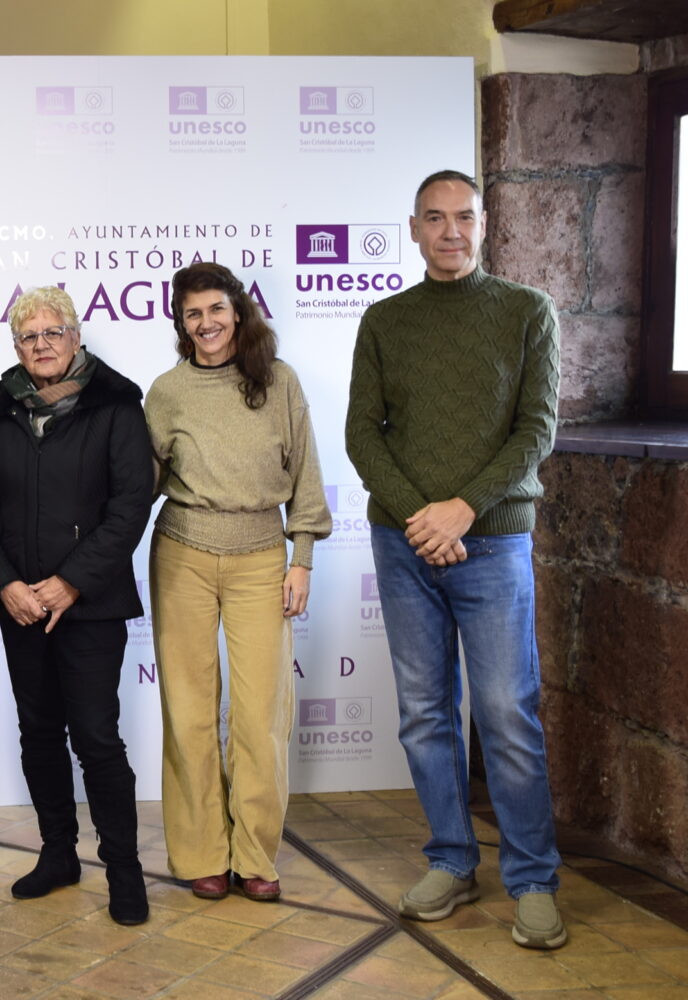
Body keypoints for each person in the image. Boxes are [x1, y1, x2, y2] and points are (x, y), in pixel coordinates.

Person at [346, 170, 565, 949]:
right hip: (404, 544)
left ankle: (534, 880)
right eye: (434, 219)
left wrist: (463, 510)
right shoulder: (384, 319)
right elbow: (362, 434)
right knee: (426, 713)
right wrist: (420, 517)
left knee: (507, 714)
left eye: (463, 217)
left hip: (494, 540)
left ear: (483, 223)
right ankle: (450, 858)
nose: (450, 232)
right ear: (412, 229)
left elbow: (535, 429)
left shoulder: (526, 313)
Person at [0, 286, 154, 925]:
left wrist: (70, 583)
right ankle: (58, 854)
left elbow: (129, 509)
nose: (41, 345)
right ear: (15, 347)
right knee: (38, 733)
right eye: (28, 336)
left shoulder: (118, 405)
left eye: (52, 332)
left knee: (96, 737)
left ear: (76, 338)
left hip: (89, 606)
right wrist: (6, 584)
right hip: (20, 607)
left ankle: (124, 873)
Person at [146, 263, 332, 903]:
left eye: (217, 310)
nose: (207, 324)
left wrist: (301, 555)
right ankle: (201, 852)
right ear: (180, 321)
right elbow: (138, 482)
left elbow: (306, 474)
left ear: (239, 312)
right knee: (189, 710)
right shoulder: (166, 392)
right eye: (193, 314)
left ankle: (256, 854)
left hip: (260, 553)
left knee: (260, 715)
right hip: (182, 553)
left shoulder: (279, 382)